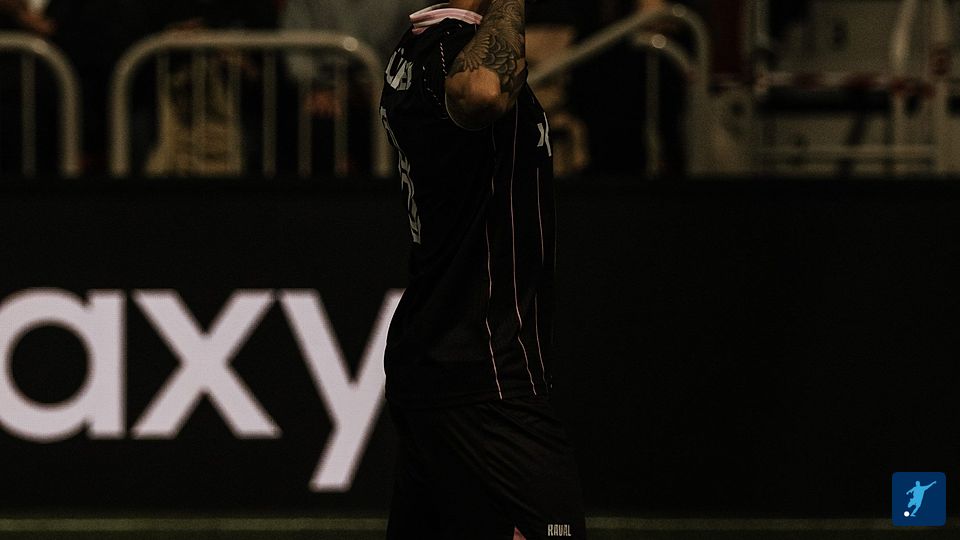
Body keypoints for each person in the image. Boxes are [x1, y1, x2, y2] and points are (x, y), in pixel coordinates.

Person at [379, 1, 586, 539]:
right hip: (484, 373)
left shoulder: (418, 47)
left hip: (440, 362)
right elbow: (484, 92)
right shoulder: (446, 48)